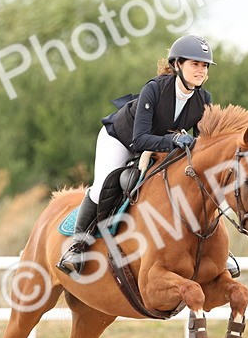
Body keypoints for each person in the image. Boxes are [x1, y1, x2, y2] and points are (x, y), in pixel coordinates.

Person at [57, 35, 215, 275]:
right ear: (177, 65)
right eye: (195, 64)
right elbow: (139, 139)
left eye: (204, 66)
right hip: (121, 138)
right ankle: (77, 247)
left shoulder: (204, 99)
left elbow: (200, 146)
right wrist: (173, 140)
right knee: (102, 187)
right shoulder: (155, 89)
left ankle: (215, 250)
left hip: (158, 146)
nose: (201, 70)